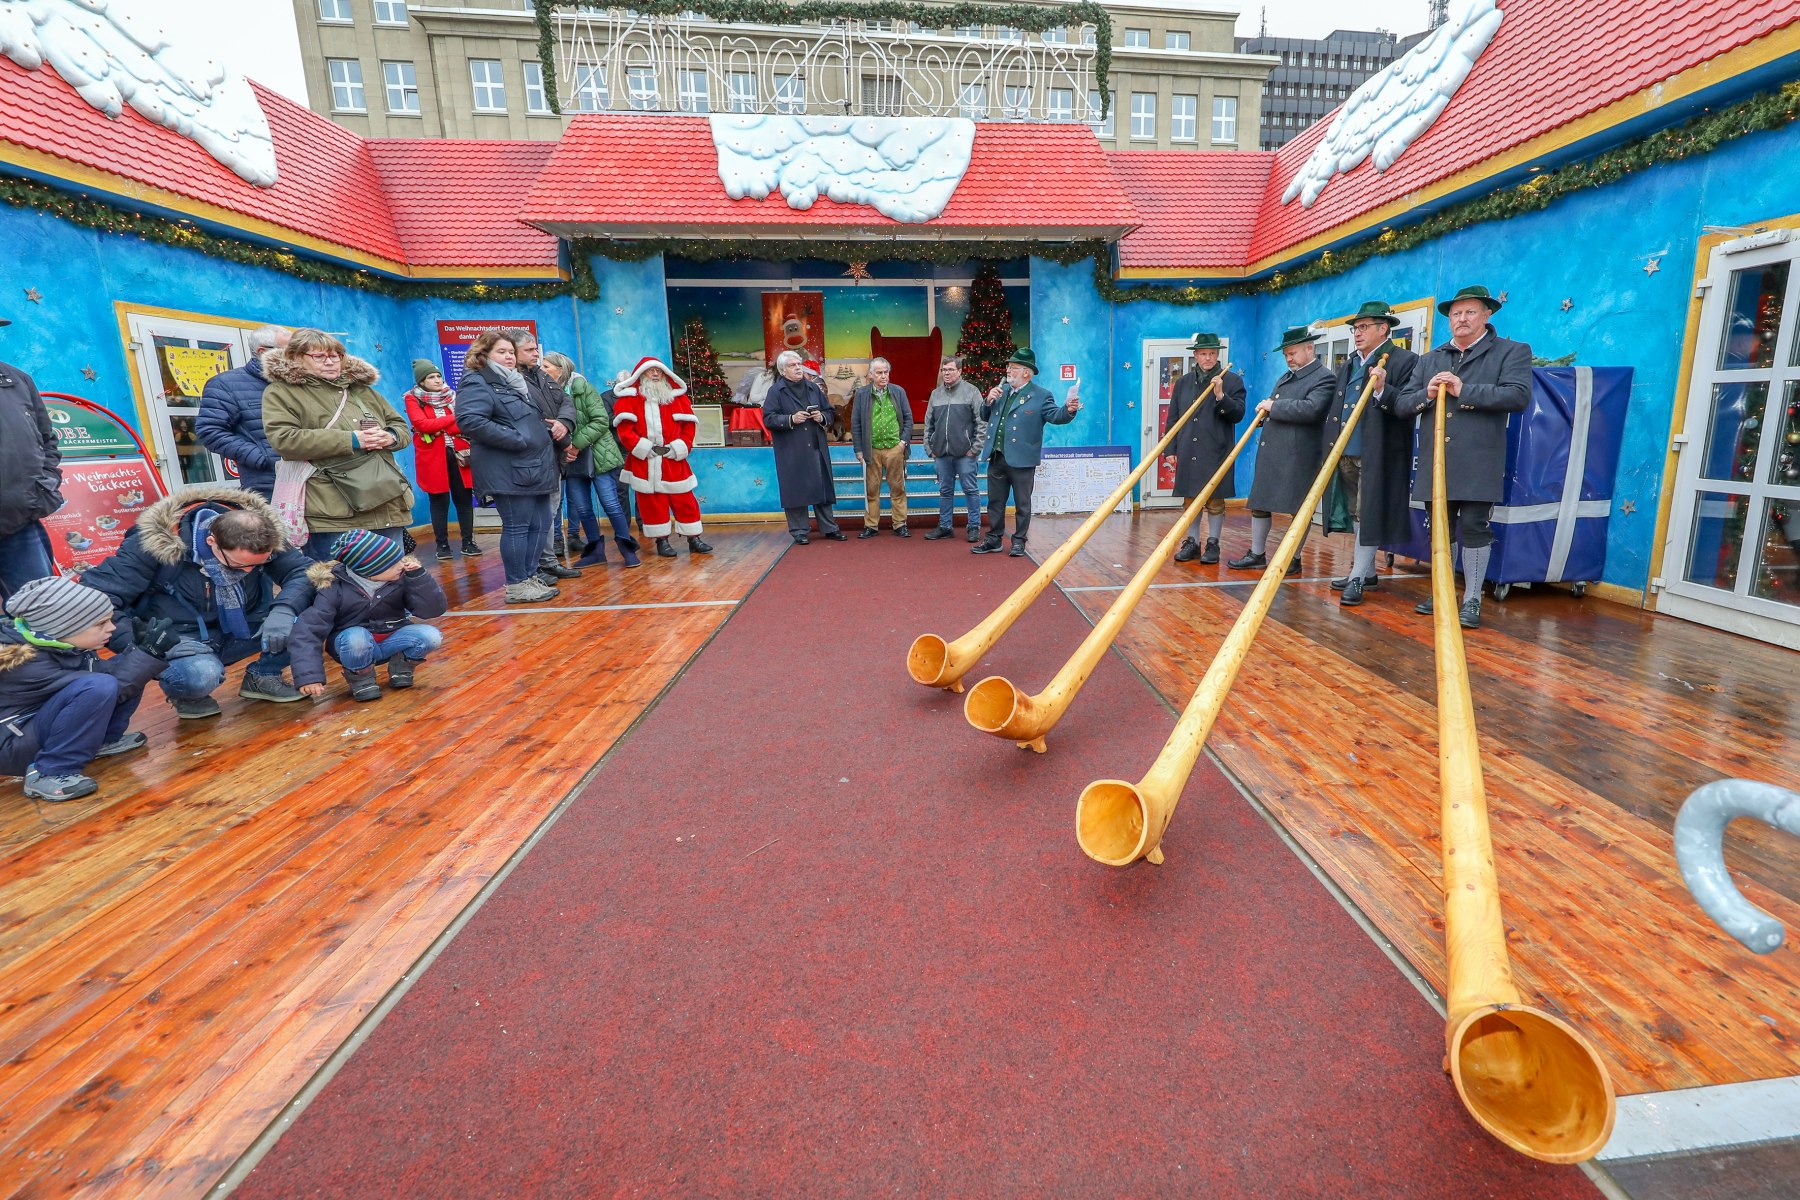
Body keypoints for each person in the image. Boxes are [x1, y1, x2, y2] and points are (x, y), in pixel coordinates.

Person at [79, 487, 313, 718]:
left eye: (258, 564)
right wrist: (149, 646)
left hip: (245, 625)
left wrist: (284, 610)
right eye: (239, 564)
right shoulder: (151, 545)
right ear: (212, 541)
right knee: (200, 676)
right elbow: (96, 599)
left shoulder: (261, 535)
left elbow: (305, 573)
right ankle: (188, 694)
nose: (249, 571)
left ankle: (264, 675)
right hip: (179, 636)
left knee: (311, 616)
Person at [1394, 285, 1532, 630]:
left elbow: (1518, 396)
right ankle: (1442, 591)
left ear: (1487, 314)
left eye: (1470, 312)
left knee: (1473, 526)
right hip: (1436, 461)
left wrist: (1463, 390)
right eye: (1456, 313)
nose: (1462, 318)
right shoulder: (1429, 359)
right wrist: (1426, 394)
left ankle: (1471, 599)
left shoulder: (1510, 351)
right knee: (1440, 529)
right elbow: (1402, 404)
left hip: (1478, 461)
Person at [0, 576, 179, 802]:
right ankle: (49, 771)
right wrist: (145, 655)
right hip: (12, 743)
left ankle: (101, 741)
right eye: (100, 624)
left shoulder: (64, 645)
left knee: (124, 668)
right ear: (64, 626)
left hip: (36, 727)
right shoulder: (28, 663)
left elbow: (113, 678)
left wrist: (138, 650)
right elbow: (107, 689)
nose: (112, 628)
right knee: (102, 684)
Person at [261, 328, 414, 561]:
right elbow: (284, 440)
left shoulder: (361, 390)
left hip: (386, 501)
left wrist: (390, 436)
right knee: (340, 579)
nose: (330, 362)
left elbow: (400, 426)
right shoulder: (281, 392)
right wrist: (351, 439)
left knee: (393, 573)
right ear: (296, 357)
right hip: (333, 510)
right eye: (320, 356)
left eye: (335, 356)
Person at [454, 330, 561, 604]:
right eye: (501, 352)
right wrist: (518, 439)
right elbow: (470, 421)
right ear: (484, 354)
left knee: (541, 523)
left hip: (534, 466)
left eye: (511, 352)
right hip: (509, 469)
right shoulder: (477, 380)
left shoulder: (513, 382)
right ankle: (516, 584)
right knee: (518, 526)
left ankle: (529, 576)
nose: (509, 357)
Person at [1327, 303, 1420, 607]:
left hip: (1378, 452)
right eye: (1356, 328)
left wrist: (1382, 389)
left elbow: (1407, 405)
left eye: (1364, 327)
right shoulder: (1350, 363)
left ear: (1383, 329)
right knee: (1356, 512)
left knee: (1367, 513)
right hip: (1347, 450)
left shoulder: (1405, 361)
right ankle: (1366, 572)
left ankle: (1356, 577)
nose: (1358, 333)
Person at [290, 529, 448, 702]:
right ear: (370, 570)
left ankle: (401, 667)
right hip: (352, 646)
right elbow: (308, 630)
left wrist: (419, 578)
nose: (401, 565)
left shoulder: (402, 577)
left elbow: (432, 611)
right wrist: (309, 676)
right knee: (357, 637)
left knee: (430, 635)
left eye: (399, 559)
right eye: (392, 564)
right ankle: (361, 678)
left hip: (391, 639)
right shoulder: (333, 588)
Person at [1228, 326, 1336, 576]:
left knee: (1299, 508)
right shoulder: (1287, 376)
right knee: (1260, 502)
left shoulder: (1325, 377)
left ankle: (1293, 558)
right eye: (1286, 354)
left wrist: (1273, 407)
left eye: (1293, 353)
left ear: (1309, 349)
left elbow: (1312, 409)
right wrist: (1265, 414)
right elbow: (1280, 406)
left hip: (1299, 454)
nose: (1289, 358)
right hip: (1273, 451)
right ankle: (1257, 554)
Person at [972, 349, 1081, 558]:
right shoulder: (1002, 390)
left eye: (1013, 367)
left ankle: (1019, 541)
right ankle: (994, 538)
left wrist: (1068, 409)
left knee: (1022, 504)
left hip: (1022, 460)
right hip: (997, 456)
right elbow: (985, 416)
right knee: (995, 502)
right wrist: (987, 401)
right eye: (1008, 367)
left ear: (1026, 372)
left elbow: (1055, 416)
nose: (1008, 370)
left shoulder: (1041, 395)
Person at [610, 357, 714, 559]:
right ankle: (661, 540)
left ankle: (694, 538)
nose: (656, 374)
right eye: (651, 371)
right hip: (645, 461)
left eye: (659, 371)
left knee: (685, 500)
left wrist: (679, 447)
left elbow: (688, 428)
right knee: (652, 503)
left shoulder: (678, 398)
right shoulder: (629, 399)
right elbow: (625, 432)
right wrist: (644, 448)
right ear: (641, 375)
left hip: (674, 459)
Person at [542, 352, 639, 569]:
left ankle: (627, 549)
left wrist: (575, 445)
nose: (542, 369)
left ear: (561, 369)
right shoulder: (546, 393)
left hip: (597, 454)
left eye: (547, 366)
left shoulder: (582, 388)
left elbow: (601, 421)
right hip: (570, 457)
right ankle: (596, 552)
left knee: (610, 503)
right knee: (582, 507)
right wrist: (567, 448)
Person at [1164, 333, 1247, 565]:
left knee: (1215, 500)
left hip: (1216, 449)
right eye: (1203, 354)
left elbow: (1238, 414)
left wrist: (1220, 395)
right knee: (1190, 499)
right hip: (1188, 449)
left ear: (1217, 354)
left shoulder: (1232, 381)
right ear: (1196, 355)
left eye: (1212, 353)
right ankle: (1192, 542)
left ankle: (1213, 543)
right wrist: (1170, 449)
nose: (1208, 358)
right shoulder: (1183, 383)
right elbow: (1173, 419)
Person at [513, 329, 582, 583]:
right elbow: (529, 417)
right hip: (532, 458)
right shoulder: (513, 380)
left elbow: (565, 402)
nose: (536, 354)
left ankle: (549, 562)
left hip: (552, 457)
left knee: (549, 514)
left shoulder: (540, 375)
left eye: (536, 349)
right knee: (534, 518)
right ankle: (534, 568)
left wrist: (564, 423)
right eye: (530, 350)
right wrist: (563, 440)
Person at [195, 324, 289, 500]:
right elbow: (209, 431)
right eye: (289, 350)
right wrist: (261, 458)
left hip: (310, 478)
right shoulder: (225, 384)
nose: (296, 355)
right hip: (267, 483)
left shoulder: (298, 383)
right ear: (263, 352)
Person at [0, 333, 61, 598]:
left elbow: (47, 440)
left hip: (18, 521)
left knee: (44, 609)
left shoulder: (16, 380)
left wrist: (43, 486)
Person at [763, 350, 845, 545]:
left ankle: (829, 528)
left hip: (816, 445)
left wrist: (821, 417)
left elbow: (829, 412)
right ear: (783, 371)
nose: (798, 368)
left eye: (799, 364)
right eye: (792, 365)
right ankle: (799, 531)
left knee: (822, 487)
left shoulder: (812, 387)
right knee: (795, 489)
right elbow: (768, 419)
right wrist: (791, 419)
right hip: (791, 449)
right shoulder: (776, 391)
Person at [403, 359, 481, 562]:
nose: (437, 380)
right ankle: (442, 545)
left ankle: (468, 542)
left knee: (464, 499)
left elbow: (465, 423)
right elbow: (421, 424)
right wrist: (452, 419)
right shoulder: (413, 398)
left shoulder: (452, 395)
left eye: (438, 376)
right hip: (432, 457)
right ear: (421, 381)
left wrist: (437, 426)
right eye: (431, 377)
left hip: (459, 454)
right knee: (439, 500)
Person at [922, 355, 987, 543]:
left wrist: (975, 448)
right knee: (945, 491)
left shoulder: (971, 392)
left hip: (965, 454)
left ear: (959, 371)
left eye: (950, 369)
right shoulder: (936, 395)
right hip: (942, 454)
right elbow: (928, 424)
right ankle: (945, 527)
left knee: (970, 490)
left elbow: (981, 422)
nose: (946, 373)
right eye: (944, 370)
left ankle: (973, 527)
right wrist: (929, 448)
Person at [850, 356, 914, 538]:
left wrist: (902, 443)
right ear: (870, 375)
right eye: (879, 373)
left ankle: (900, 524)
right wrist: (858, 449)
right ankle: (871, 526)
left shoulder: (898, 391)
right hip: (871, 449)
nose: (884, 376)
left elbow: (908, 419)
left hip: (895, 448)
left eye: (886, 372)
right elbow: (855, 423)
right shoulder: (861, 394)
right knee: (871, 489)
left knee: (898, 488)